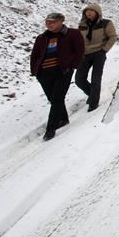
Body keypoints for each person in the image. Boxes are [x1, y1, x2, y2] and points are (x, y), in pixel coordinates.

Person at [30, 12, 85, 141]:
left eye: (52, 22)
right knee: (53, 99)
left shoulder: (73, 33)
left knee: (57, 99)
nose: (49, 24)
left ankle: (50, 129)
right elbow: (35, 55)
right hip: (44, 73)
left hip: (62, 71)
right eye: (47, 22)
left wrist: (71, 67)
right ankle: (63, 119)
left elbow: (80, 51)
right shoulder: (42, 37)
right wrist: (35, 71)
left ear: (61, 21)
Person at [75, 3, 117, 112]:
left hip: (99, 53)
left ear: (97, 12)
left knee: (96, 79)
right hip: (85, 54)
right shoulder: (82, 24)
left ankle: (93, 105)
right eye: (86, 11)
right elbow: (79, 40)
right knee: (79, 79)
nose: (88, 12)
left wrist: (104, 50)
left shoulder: (106, 23)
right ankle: (92, 94)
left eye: (91, 10)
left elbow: (112, 37)